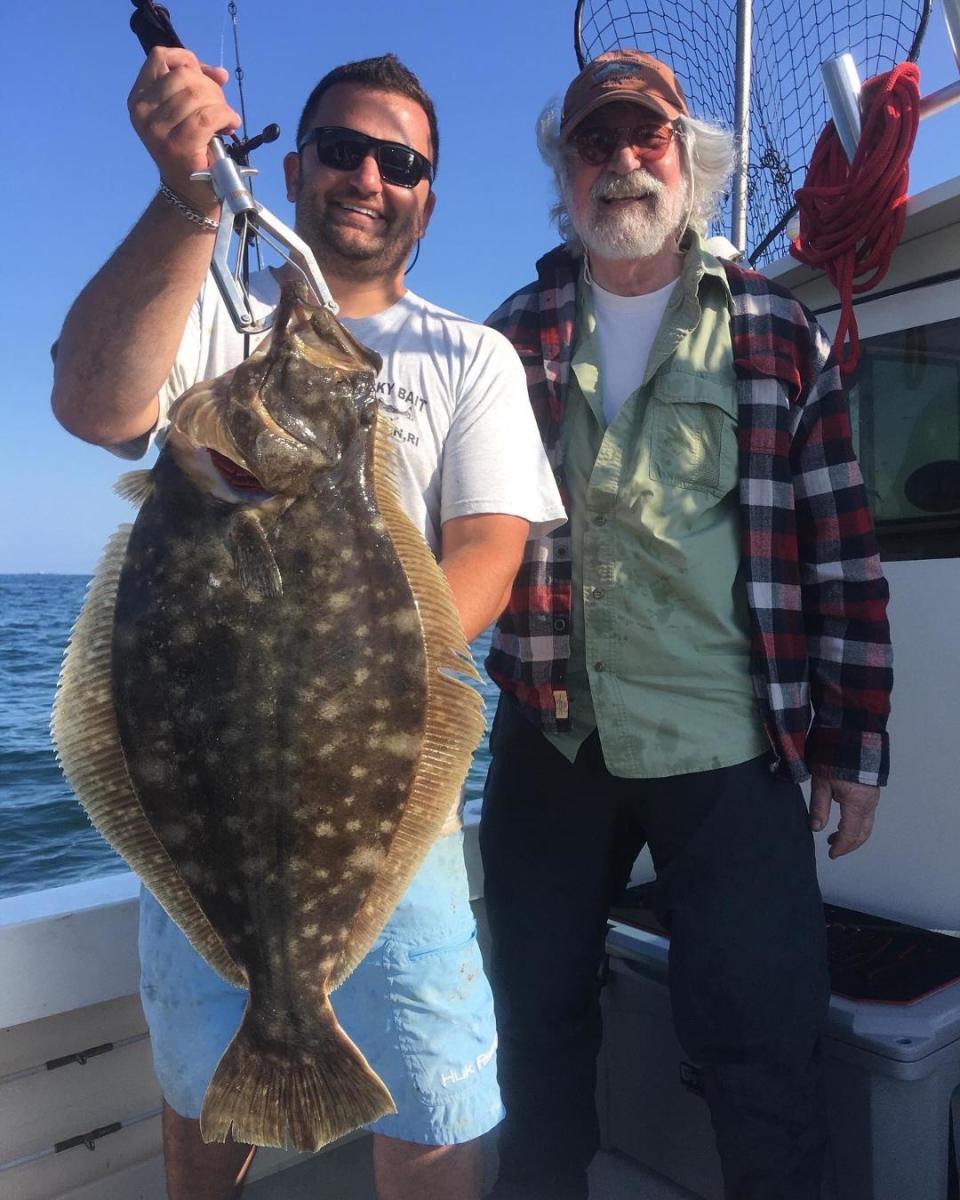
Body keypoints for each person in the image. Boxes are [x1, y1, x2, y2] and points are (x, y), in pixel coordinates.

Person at [51, 49, 564, 1200]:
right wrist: (188, 192)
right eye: (343, 149)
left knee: (434, 1101)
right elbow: (93, 403)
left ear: (428, 193)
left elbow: (491, 543)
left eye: (401, 161)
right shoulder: (211, 319)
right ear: (294, 165)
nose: (369, 176)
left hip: (381, 804)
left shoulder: (469, 356)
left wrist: (379, 666)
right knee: (200, 1099)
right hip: (212, 791)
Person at [479, 49, 893, 1200]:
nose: (621, 160)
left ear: (687, 159)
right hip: (550, 734)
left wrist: (854, 749)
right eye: (594, 142)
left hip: (731, 745)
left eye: (645, 137)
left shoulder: (773, 328)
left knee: (765, 1043)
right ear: (564, 170)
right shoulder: (502, 340)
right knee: (535, 1031)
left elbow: (843, 550)